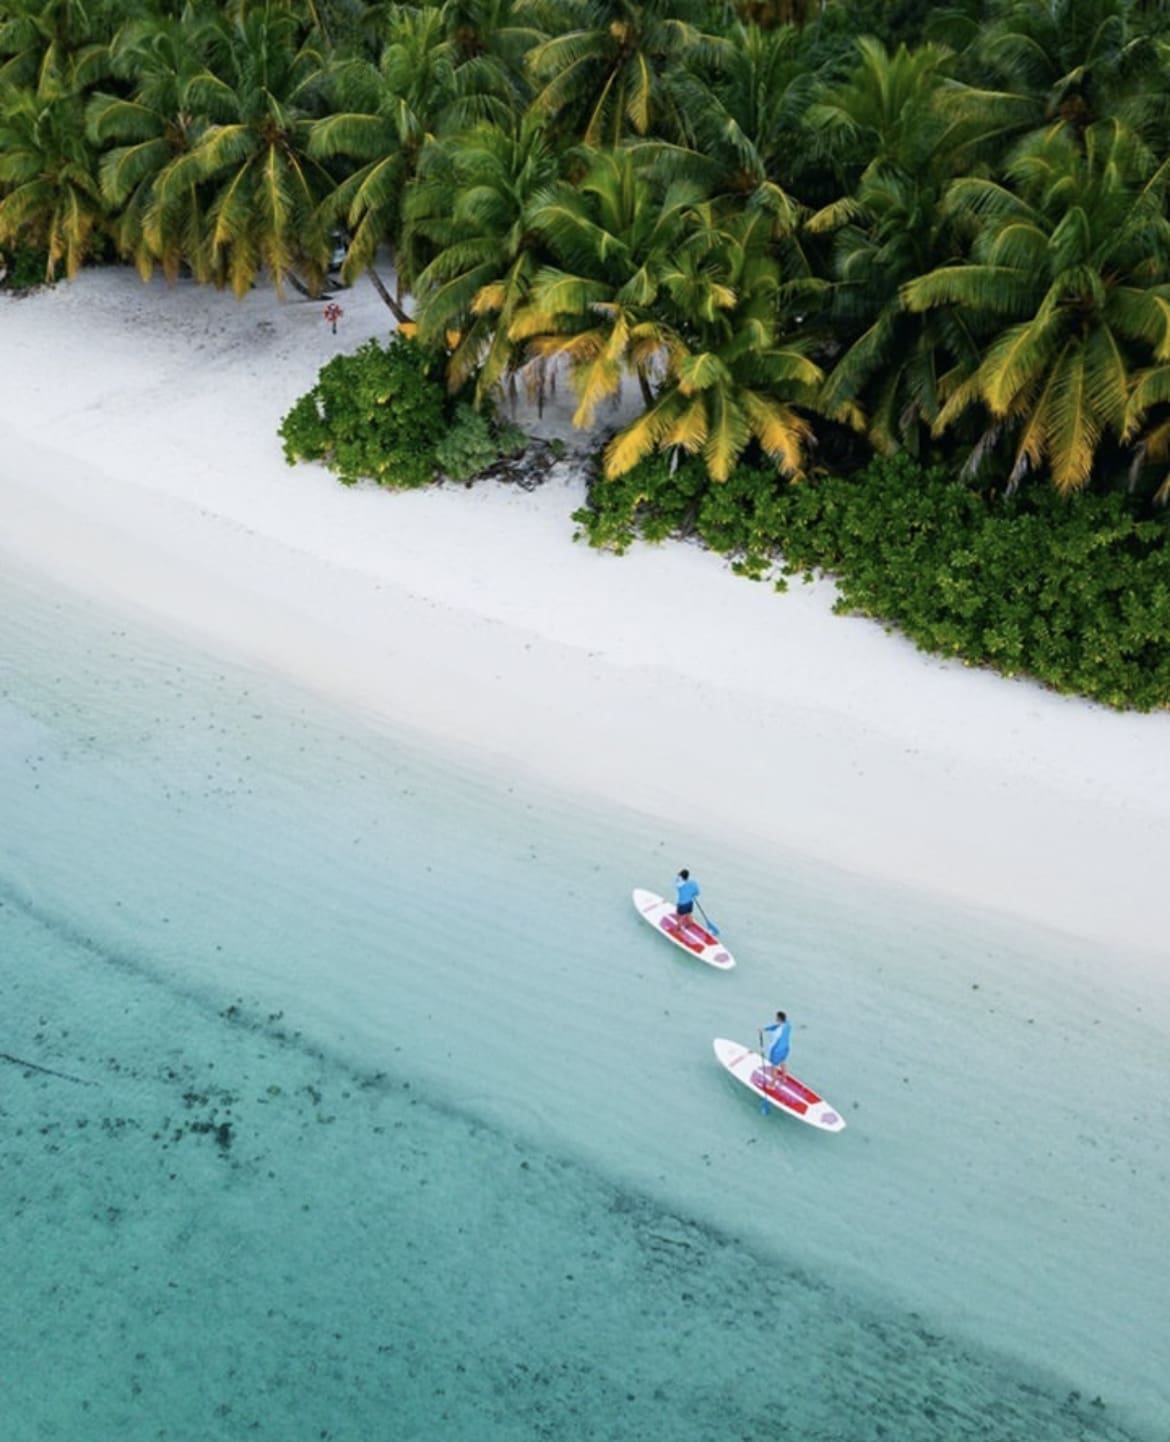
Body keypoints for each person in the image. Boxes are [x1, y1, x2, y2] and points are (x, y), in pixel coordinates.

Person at [761, 1011, 791, 1079]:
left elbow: (773, 1043)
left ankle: (772, 1084)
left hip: (777, 1050)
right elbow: (776, 1026)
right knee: (783, 1062)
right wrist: (765, 1029)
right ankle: (784, 1077)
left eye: (776, 1017)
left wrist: (765, 1051)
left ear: (779, 1018)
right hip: (785, 1049)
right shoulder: (788, 1024)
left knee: (773, 1067)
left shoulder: (778, 1031)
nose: (775, 1018)